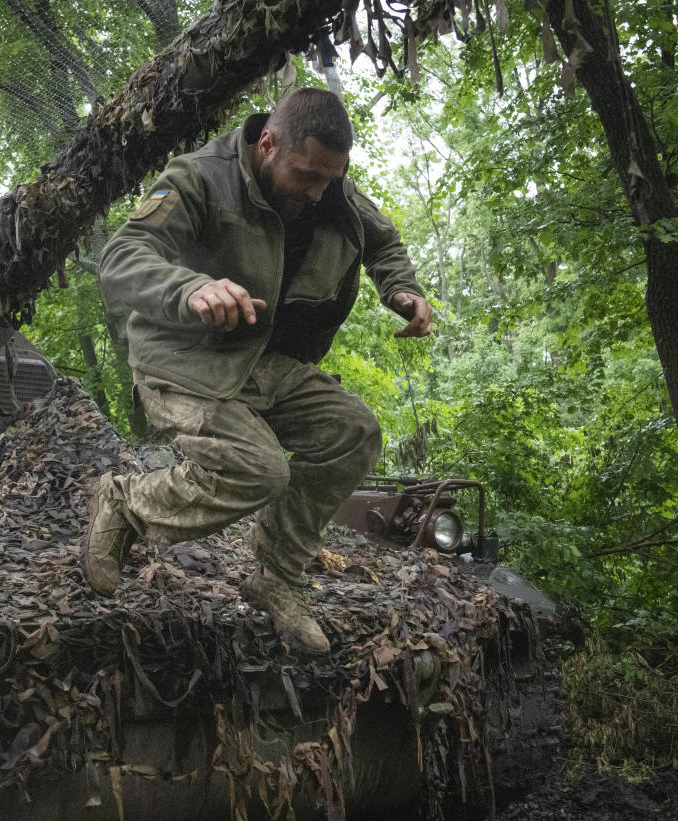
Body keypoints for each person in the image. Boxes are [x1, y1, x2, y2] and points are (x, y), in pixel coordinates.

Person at [82, 88, 433, 654]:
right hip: (186, 361)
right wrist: (191, 287)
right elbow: (122, 259)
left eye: (330, 178)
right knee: (259, 471)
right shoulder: (199, 178)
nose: (319, 191)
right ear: (267, 143)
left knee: (353, 432)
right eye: (307, 175)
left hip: (270, 364)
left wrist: (402, 289)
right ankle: (126, 500)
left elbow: (381, 239)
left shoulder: (331, 189)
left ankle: (276, 575)